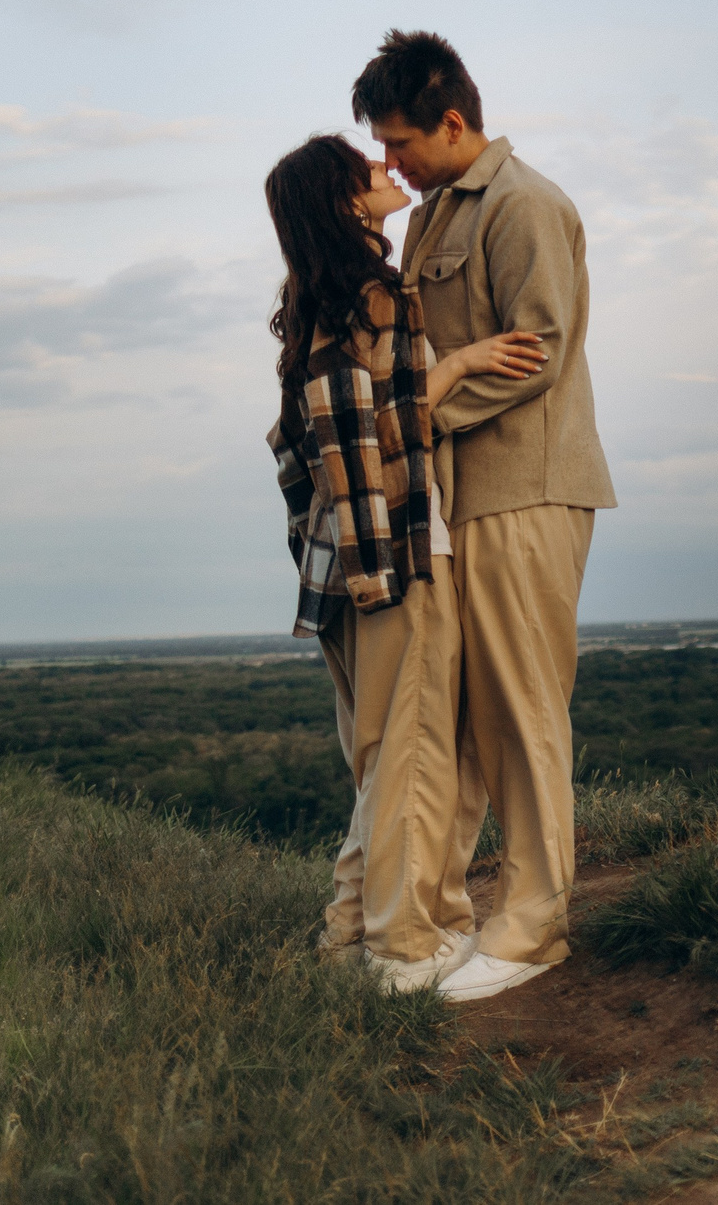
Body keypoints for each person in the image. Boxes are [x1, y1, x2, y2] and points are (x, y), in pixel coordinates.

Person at [352, 30, 617, 1002]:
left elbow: (537, 347)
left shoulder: (525, 204)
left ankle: (534, 927)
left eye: (399, 145)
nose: (392, 165)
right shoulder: (434, 219)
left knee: (520, 710)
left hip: (525, 487)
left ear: (452, 121)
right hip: (459, 499)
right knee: (459, 719)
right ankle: (447, 919)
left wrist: (415, 417)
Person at [263, 134, 546, 993]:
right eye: (366, 170)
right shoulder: (372, 296)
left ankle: (350, 941)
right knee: (417, 756)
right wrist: (458, 363)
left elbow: (300, 448)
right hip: (391, 555)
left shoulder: (310, 299)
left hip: (338, 569)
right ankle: (404, 950)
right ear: (347, 204)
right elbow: (372, 435)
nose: (385, 172)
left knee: (382, 760)